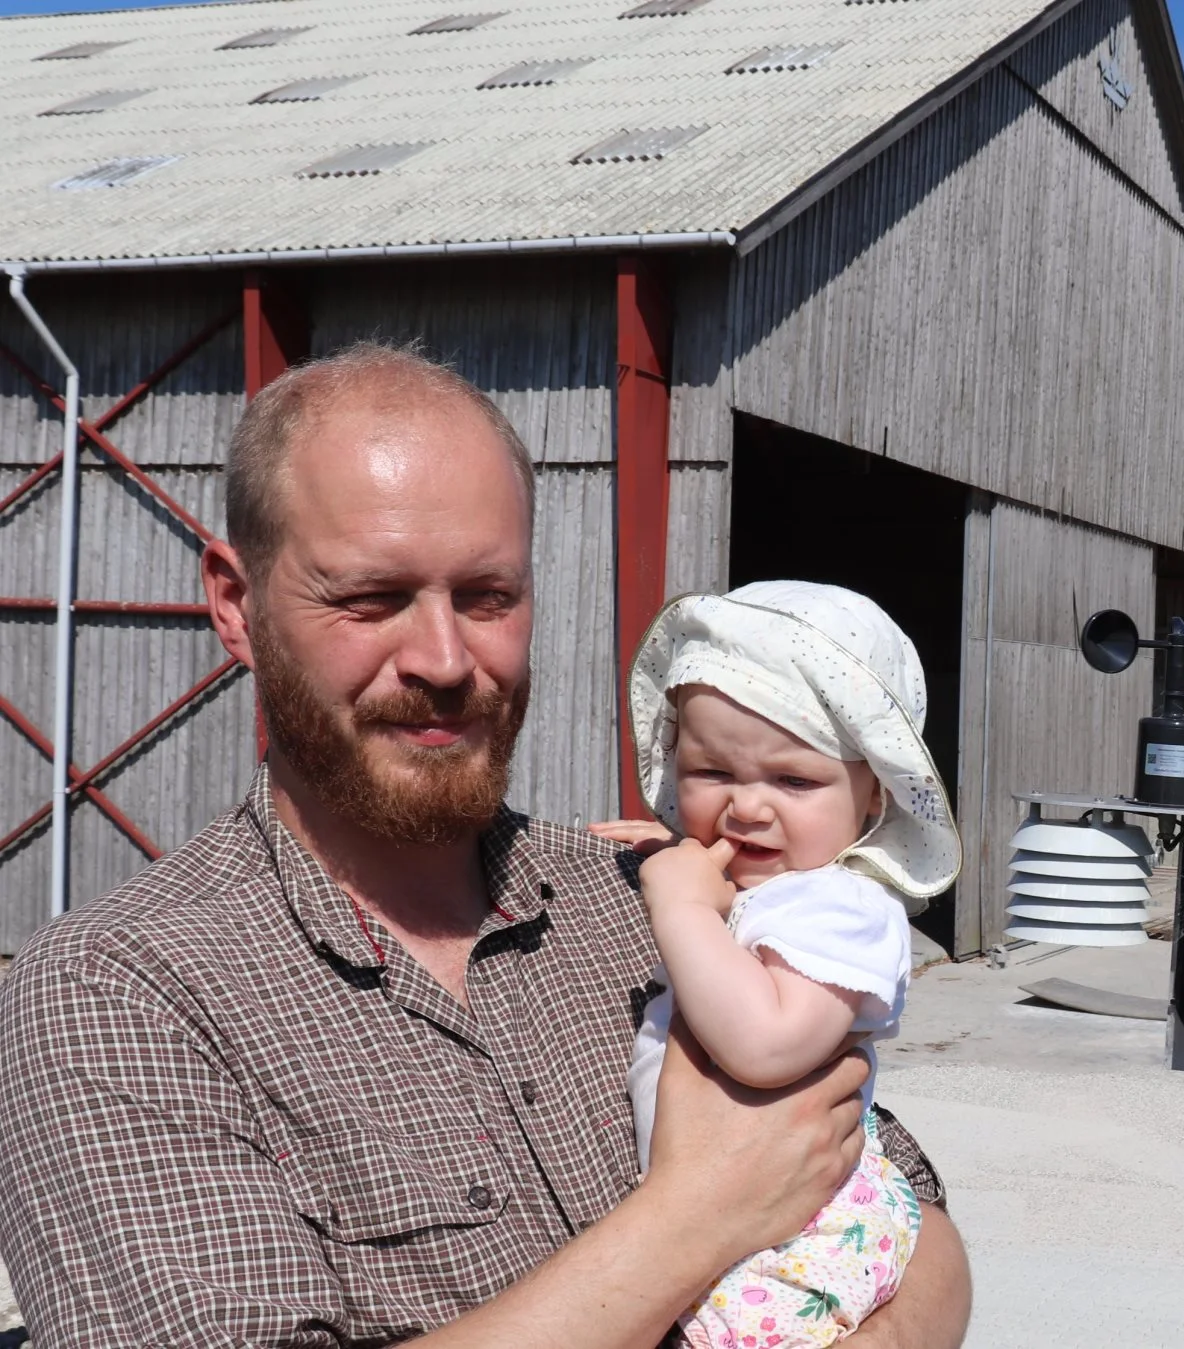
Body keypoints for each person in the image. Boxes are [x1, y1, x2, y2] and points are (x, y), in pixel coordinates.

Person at [0, 343, 971, 1347]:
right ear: (236, 605)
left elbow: (918, 1230)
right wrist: (696, 1211)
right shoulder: (119, 992)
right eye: (370, 598)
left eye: (487, 596)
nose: (446, 659)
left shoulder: (644, 895)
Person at [599, 582, 961, 1348]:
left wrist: (683, 906)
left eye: (793, 780)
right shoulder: (768, 892)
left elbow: (766, 1045)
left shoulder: (846, 909)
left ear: (872, 801)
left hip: (790, 1244)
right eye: (710, 773)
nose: (747, 808)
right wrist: (678, 861)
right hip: (724, 1219)